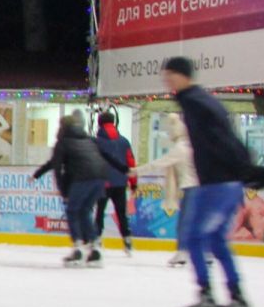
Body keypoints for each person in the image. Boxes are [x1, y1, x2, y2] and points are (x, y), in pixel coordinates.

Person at [162, 57, 252, 307]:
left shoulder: (195, 102)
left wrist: (238, 169)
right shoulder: (201, 101)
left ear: (182, 75)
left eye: (170, 74)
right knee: (215, 239)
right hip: (227, 182)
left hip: (217, 183)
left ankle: (207, 297)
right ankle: (237, 297)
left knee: (194, 237)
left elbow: (222, 141)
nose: (166, 80)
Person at [32, 112, 124, 268]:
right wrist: (124, 169)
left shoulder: (63, 143)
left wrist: (63, 192)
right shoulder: (88, 139)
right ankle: (95, 249)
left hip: (84, 178)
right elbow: (106, 156)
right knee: (84, 211)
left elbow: (56, 168)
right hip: (100, 178)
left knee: (73, 211)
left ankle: (78, 249)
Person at [133, 113, 197, 268]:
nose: (168, 134)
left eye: (170, 131)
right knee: (196, 222)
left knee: (184, 223)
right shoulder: (191, 146)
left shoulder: (180, 149)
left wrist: (136, 171)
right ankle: (203, 253)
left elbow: (158, 163)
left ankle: (183, 252)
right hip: (200, 189)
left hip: (191, 189)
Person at [93, 111, 137, 256]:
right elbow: (130, 162)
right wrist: (133, 182)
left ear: (99, 124)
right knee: (121, 213)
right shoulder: (124, 141)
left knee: (99, 212)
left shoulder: (96, 142)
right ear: (114, 123)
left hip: (102, 182)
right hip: (120, 183)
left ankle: (97, 238)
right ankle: (127, 240)